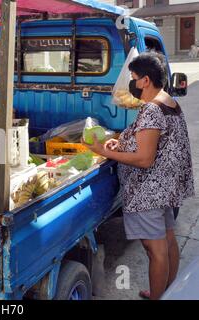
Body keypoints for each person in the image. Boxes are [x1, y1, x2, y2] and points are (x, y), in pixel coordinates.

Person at [84, 51, 194, 300]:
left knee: (154, 249)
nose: (131, 83)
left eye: (133, 77)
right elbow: (153, 142)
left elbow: (145, 158)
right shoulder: (168, 101)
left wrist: (104, 151)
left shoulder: (152, 110)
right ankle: (167, 290)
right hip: (166, 185)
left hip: (150, 190)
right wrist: (121, 143)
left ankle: (158, 296)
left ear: (145, 80)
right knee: (167, 239)